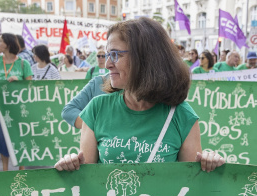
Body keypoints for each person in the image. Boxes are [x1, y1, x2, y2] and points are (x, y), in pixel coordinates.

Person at [55, 17, 224, 173]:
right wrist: (71, 166)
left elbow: (191, 183)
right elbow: (86, 180)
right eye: (107, 55)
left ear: (145, 58)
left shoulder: (182, 116)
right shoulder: (96, 108)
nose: (107, 64)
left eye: (115, 55)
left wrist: (209, 165)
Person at [0, 33, 33, 171]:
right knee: (2, 140)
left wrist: (19, 82)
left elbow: (31, 87)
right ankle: (5, 171)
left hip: (18, 110)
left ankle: (21, 169)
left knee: (19, 138)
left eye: (0, 41)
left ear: (8, 44)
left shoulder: (23, 64)